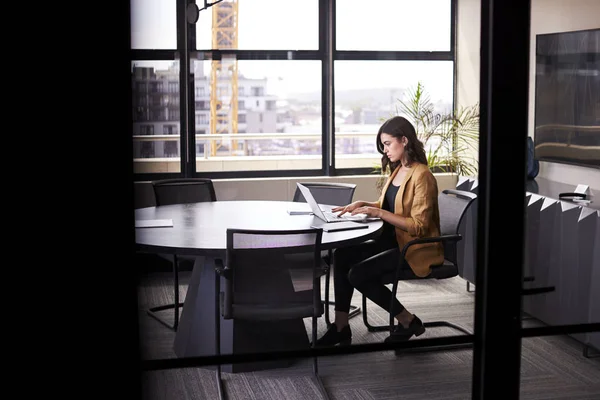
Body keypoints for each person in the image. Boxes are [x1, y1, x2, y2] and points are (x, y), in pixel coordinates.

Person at [315, 115, 444, 347]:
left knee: (358, 274)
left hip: (413, 248)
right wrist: (364, 205)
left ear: (404, 140)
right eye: (383, 145)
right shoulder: (399, 170)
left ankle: (407, 320)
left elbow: (418, 226)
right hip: (393, 240)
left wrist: (380, 214)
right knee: (341, 255)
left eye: (387, 144)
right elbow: (389, 206)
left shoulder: (422, 175)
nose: (385, 150)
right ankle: (341, 327)